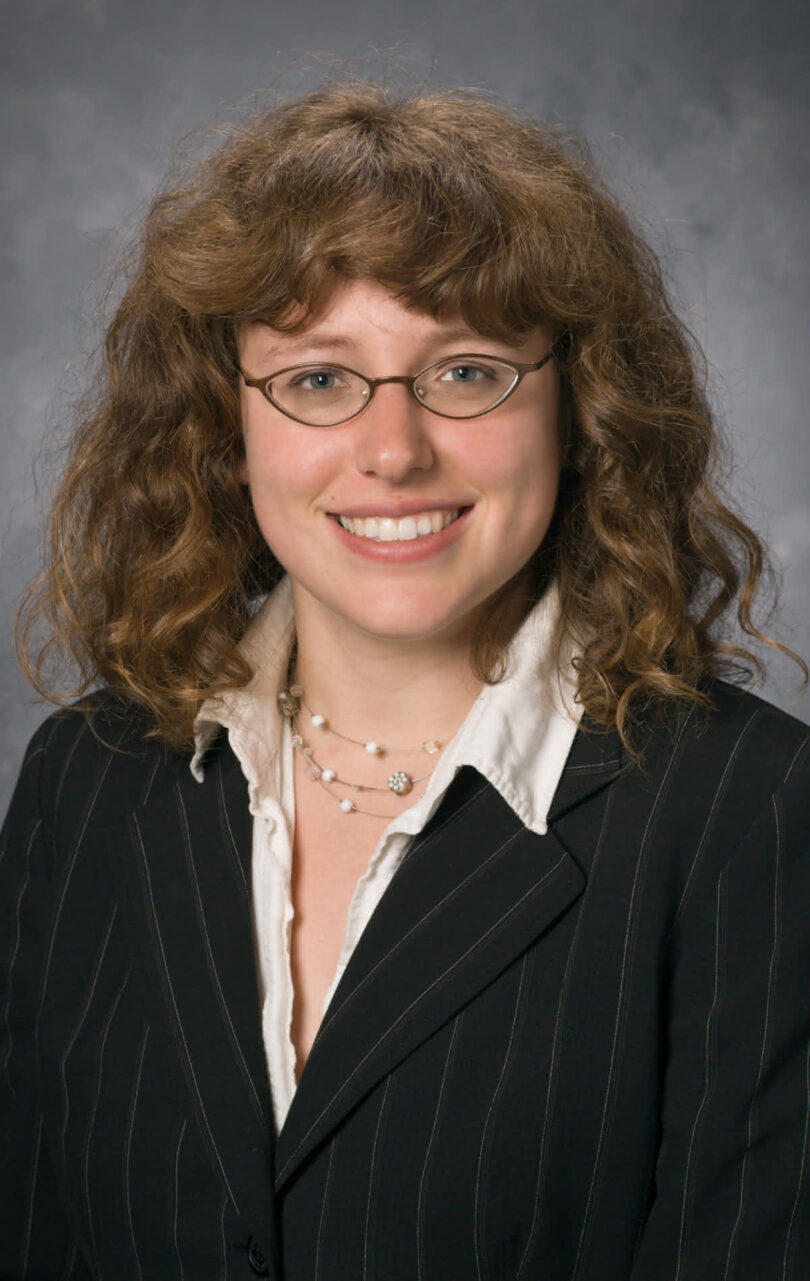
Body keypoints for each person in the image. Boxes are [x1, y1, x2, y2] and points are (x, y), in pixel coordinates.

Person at [1, 80, 809, 1281]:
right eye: (319, 378)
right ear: (225, 428)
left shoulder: (753, 808)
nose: (393, 451)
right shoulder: (90, 780)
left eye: (470, 372)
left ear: (581, 411)